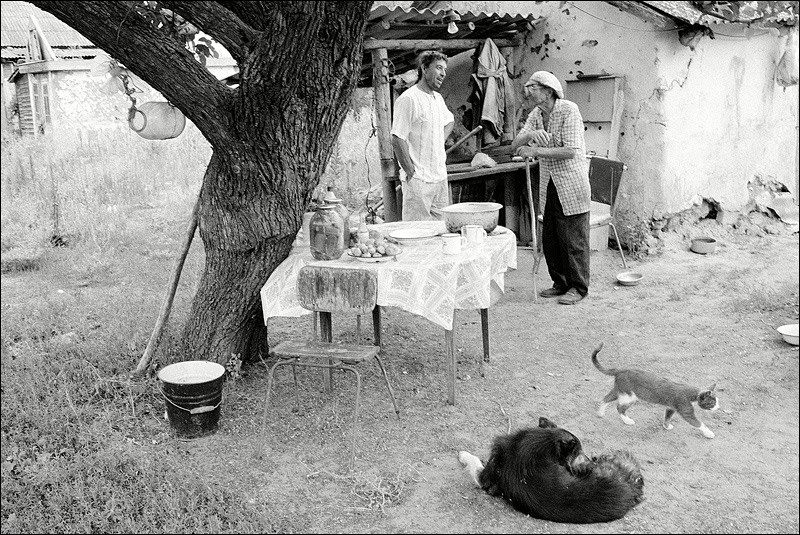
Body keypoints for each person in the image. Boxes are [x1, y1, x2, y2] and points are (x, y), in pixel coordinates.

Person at [512, 71, 591, 305]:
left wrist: (534, 150)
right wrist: (531, 136)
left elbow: (570, 151)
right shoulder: (536, 115)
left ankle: (579, 287)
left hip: (571, 182)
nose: (528, 90)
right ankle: (560, 283)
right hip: (549, 183)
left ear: (548, 90)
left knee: (573, 238)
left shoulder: (569, 110)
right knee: (552, 236)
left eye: (532, 86)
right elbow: (515, 144)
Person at [391, 50, 455, 220]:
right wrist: (411, 172)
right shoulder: (409, 99)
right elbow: (397, 137)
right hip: (418, 181)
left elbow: (450, 121)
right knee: (417, 235)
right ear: (424, 68)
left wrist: (438, 140)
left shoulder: (438, 99)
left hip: (439, 178)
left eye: (445, 70)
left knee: (444, 232)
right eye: (439, 68)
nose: (443, 74)